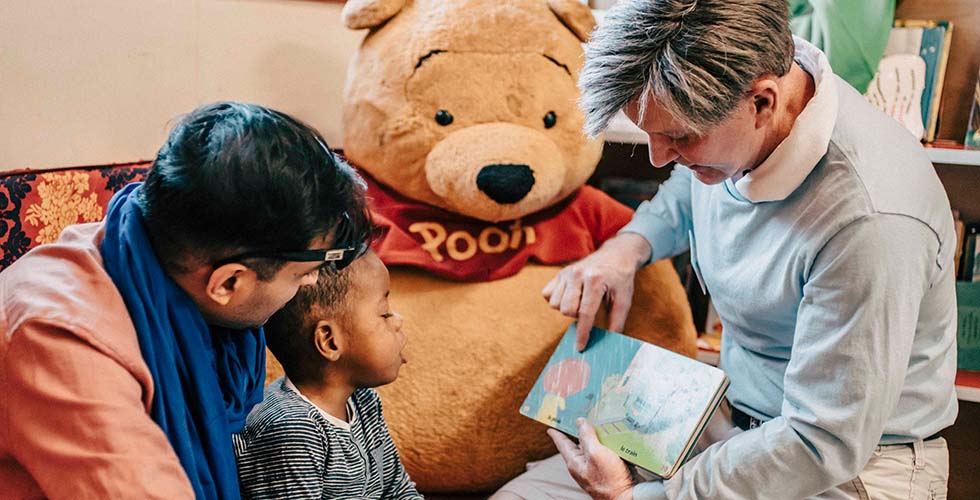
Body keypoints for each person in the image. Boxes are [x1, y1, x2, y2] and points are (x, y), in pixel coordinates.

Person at [493, 0, 957, 499]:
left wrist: (639, 499)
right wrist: (628, 245)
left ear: (763, 102)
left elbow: (821, 439)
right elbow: (690, 187)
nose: (658, 156)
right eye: (649, 134)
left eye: (679, 138)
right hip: (725, 415)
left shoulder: (871, 220)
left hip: (845, 464)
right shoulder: (739, 101)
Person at [0, 101, 371, 499]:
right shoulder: (60, 341)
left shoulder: (158, 256)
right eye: (301, 273)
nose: (313, 281)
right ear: (228, 283)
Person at [233, 249, 422, 500]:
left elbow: (398, 491)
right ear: (330, 341)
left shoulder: (364, 402)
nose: (398, 320)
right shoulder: (292, 431)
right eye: (384, 313)